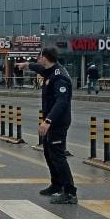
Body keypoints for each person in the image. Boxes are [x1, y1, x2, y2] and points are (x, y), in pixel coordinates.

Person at [17, 46, 76, 204]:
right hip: (50, 120)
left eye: (39, 56)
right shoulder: (49, 70)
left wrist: (48, 121)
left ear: (45, 57)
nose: (38, 59)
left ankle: (70, 192)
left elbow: (61, 102)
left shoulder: (59, 77)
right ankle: (56, 185)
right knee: (48, 152)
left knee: (58, 156)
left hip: (57, 121)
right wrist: (26, 65)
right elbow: (39, 68)